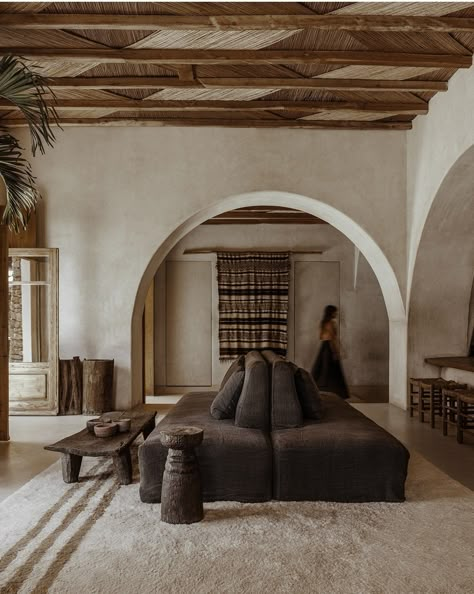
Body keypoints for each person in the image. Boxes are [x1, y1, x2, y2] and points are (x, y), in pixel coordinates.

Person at [311, 305, 349, 399]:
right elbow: (333, 339)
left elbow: (320, 337)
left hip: (323, 347)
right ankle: (335, 392)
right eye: (335, 312)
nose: (336, 314)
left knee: (322, 369)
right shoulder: (331, 323)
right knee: (332, 371)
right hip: (328, 347)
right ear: (331, 312)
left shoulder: (323, 323)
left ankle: (318, 390)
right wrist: (336, 351)